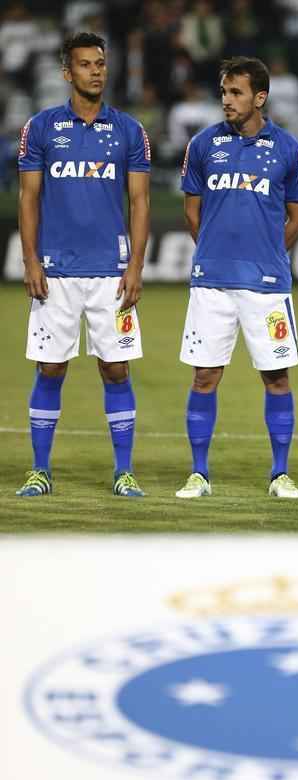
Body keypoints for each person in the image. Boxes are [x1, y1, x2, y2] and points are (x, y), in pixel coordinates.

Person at [17, 31, 151, 497]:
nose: (96, 70)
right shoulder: (40, 128)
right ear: (66, 72)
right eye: (86, 64)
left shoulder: (130, 130)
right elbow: (28, 196)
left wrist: (135, 266)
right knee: (50, 369)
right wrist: (31, 259)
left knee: (116, 370)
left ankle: (124, 471)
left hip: (111, 275)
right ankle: (39, 470)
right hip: (55, 273)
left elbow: (139, 201)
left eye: (100, 63)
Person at [176, 55, 298, 499]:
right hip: (211, 281)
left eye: (236, 93)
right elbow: (192, 211)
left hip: (266, 285)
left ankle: (280, 474)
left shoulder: (290, 149)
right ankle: (199, 473)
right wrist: (217, 249)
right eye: (224, 92)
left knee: (276, 377)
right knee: (204, 377)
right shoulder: (202, 145)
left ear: (260, 97)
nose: (227, 101)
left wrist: (266, 253)